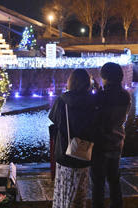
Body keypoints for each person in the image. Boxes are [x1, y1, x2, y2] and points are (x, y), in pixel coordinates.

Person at [49, 69, 97, 208]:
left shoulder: (62, 101)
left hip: (65, 152)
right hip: (84, 152)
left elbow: (54, 119)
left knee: (63, 192)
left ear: (71, 81)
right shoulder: (93, 101)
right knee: (79, 193)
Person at [91, 62, 131, 208]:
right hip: (117, 142)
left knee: (98, 183)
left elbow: (96, 118)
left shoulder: (101, 96)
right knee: (114, 179)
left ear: (105, 77)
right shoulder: (125, 95)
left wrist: (96, 93)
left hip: (100, 145)